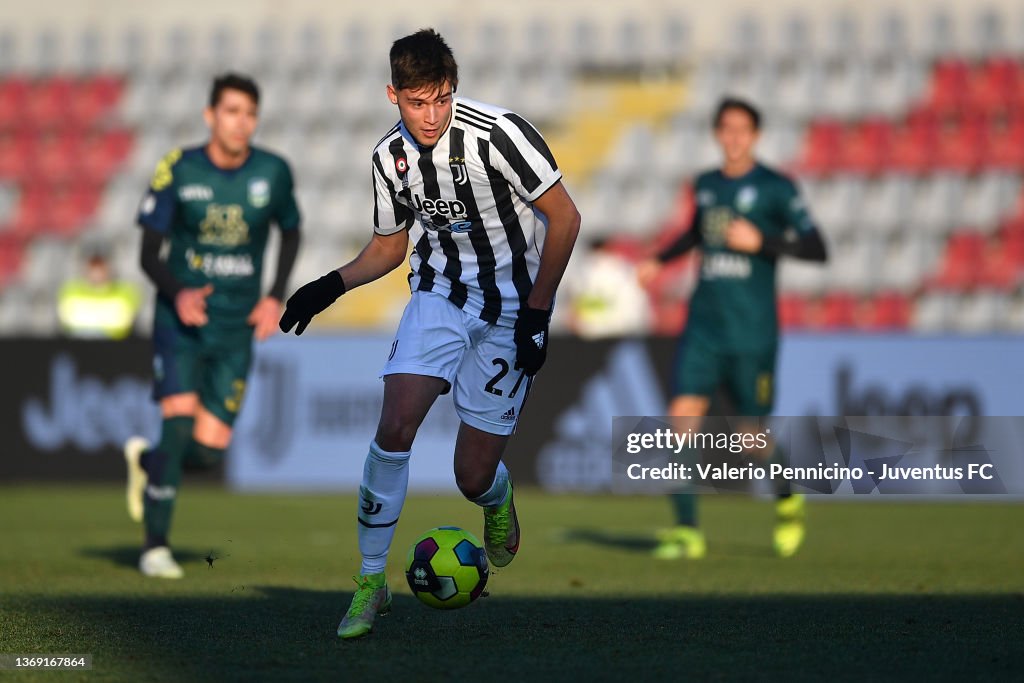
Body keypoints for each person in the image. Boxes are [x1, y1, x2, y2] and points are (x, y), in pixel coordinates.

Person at [279, 29, 580, 639]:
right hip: (438, 296)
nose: (432, 115)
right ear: (393, 95)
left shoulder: (500, 136)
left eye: (441, 99)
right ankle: (370, 582)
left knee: (471, 475)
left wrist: (539, 312)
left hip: (511, 310)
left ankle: (496, 501)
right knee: (395, 426)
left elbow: (565, 217)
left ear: (454, 88)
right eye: (418, 102)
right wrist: (330, 286)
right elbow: (391, 246)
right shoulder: (387, 158)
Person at [123, 73, 301, 579]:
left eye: (249, 113)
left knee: (205, 450)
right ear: (210, 116)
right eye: (231, 111)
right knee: (177, 419)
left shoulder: (274, 171)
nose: (240, 122)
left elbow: (291, 232)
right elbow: (146, 252)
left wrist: (274, 297)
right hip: (182, 318)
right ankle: (154, 547)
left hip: (236, 325)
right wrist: (177, 292)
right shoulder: (178, 169)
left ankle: (148, 465)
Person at [637, 97, 827, 560]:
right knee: (681, 420)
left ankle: (788, 499)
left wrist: (763, 241)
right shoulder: (705, 184)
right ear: (718, 134)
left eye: (743, 129)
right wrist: (659, 260)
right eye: (726, 128)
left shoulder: (776, 187)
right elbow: (698, 233)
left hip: (752, 333)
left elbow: (816, 247)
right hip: (704, 326)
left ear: (756, 136)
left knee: (749, 438)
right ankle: (687, 531)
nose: (734, 137)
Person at [57, 244, 141, 339]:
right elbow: (68, 322)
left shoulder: (126, 291)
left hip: (113, 347)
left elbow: (123, 323)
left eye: (101, 266)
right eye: (93, 265)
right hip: (78, 346)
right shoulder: (70, 290)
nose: (97, 272)